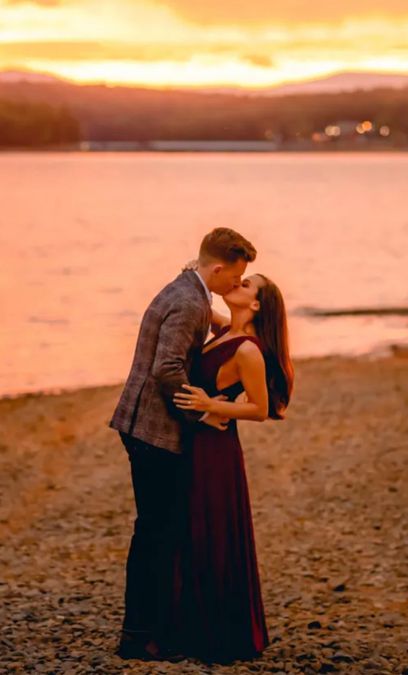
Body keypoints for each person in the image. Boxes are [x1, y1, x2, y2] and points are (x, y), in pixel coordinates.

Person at [108, 228, 257, 662]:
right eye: (234, 277)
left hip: (143, 426)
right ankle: (137, 637)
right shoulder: (191, 302)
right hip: (151, 431)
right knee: (155, 534)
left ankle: (153, 627)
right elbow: (166, 370)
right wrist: (204, 412)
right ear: (216, 268)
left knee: (159, 531)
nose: (235, 284)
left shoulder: (190, 289)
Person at [171, 268, 294, 664]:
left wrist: (210, 406)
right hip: (198, 442)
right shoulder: (226, 331)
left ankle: (221, 632)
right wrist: (196, 274)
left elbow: (258, 409)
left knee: (214, 530)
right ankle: (193, 624)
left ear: (256, 304)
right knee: (194, 527)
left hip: (216, 449)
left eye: (245, 285)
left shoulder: (248, 351)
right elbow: (201, 307)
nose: (236, 286)